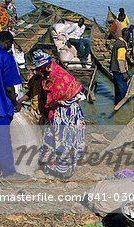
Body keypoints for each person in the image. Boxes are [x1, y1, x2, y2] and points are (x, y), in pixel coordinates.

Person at [31, 49, 86, 179]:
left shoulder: (60, 76)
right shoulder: (47, 76)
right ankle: (56, 166)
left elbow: (75, 94)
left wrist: (58, 103)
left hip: (67, 113)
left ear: (45, 65)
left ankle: (64, 171)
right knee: (55, 139)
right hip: (56, 113)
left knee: (65, 140)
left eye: (40, 68)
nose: (39, 70)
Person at [0, 31, 29, 180]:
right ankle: (8, 172)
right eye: (10, 45)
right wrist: (15, 102)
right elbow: (9, 88)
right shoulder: (6, 57)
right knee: (2, 140)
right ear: (7, 43)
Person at [110, 28, 130, 105]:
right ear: (127, 36)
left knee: (117, 89)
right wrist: (124, 72)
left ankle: (117, 103)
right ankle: (123, 106)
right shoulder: (122, 45)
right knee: (123, 89)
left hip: (114, 68)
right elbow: (120, 60)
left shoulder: (117, 42)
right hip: (119, 70)